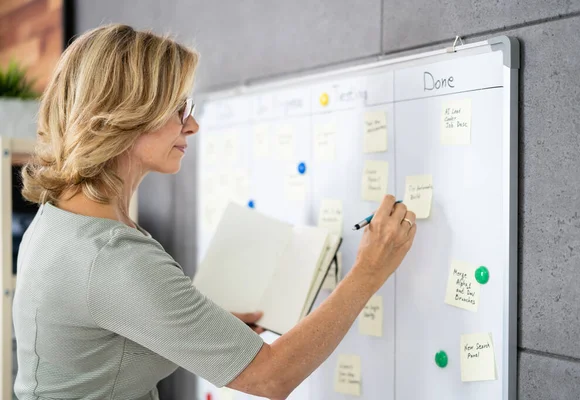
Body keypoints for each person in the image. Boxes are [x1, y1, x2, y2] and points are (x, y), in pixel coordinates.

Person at [12, 24, 417, 400]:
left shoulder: (60, 220)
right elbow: (272, 377)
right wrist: (368, 272)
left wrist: (212, 333)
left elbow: (110, 339)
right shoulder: (113, 259)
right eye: (178, 109)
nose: (192, 126)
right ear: (126, 118)